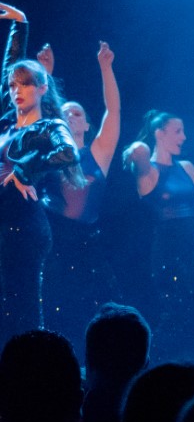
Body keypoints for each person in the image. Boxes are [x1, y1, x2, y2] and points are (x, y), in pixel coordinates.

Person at [1, 17, 82, 338]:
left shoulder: (49, 126)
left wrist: (26, 169)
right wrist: (19, 24)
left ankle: (27, 362)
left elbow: (70, 153)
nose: (16, 91)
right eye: (13, 86)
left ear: (42, 88)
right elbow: (9, 67)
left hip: (23, 226)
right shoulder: (6, 122)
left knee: (20, 306)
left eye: (25, 84)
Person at [39, 42, 122, 350]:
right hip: (51, 240)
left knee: (93, 312)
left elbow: (113, 110)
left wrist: (106, 67)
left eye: (77, 113)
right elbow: (37, 115)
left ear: (87, 123)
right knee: (51, 309)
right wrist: (45, 76)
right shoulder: (47, 151)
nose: (71, 116)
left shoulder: (99, 153)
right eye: (65, 113)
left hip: (86, 244)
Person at [122, 110, 194, 365]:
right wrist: (136, 148)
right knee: (174, 311)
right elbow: (139, 154)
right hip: (168, 249)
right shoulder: (148, 172)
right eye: (178, 131)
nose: (184, 137)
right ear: (160, 133)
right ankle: (161, 367)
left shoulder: (187, 167)